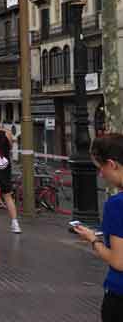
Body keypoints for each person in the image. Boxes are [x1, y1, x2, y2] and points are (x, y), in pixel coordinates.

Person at [71, 134, 123, 321]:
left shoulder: (117, 204)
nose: (101, 174)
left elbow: (119, 261)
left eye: (101, 167)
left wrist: (93, 240)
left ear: (112, 164)